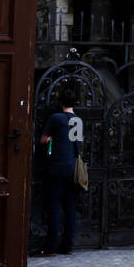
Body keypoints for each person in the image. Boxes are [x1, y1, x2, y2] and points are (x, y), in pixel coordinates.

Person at [39, 98, 83, 255]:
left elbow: (43, 140)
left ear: (60, 103)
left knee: (54, 207)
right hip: (73, 168)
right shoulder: (78, 120)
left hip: (57, 167)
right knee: (70, 207)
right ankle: (68, 246)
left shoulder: (56, 118)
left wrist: (51, 139)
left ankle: (50, 246)